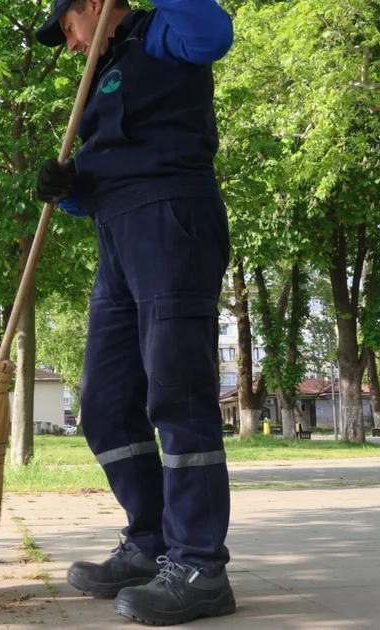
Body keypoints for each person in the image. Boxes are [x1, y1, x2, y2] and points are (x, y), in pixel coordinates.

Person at [32, 0, 235, 625]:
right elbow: (105, 168)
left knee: (178, 394)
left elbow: (213, 33)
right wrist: (68, 191)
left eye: (67, 27)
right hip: (117, 236)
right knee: (106, 402)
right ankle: (150, 544)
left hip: (172, 218)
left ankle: (200, 566)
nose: (68, 44)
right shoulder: (103, 70)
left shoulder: (163, 33)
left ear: (92, 6)